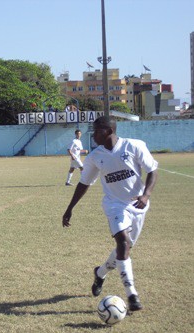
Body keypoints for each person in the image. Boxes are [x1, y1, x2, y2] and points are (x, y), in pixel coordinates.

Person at [62, 116, 158, 312]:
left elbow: (152, 170)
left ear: (107, 131)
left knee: (125, 250)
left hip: (137, 206)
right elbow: (84, 183)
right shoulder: (95, 157)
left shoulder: (134, 146)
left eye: (96, 131)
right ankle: (132, 295)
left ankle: (100, 272)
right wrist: (70, 208)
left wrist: (146, 195)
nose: (93, 134)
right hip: (114, 205)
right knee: (122, 243)